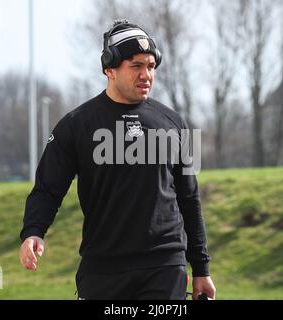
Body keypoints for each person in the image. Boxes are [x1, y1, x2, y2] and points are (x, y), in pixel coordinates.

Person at [19, 19, 216, 300]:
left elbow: (189, 199)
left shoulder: (176, 123)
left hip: (164, 266)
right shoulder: (75, 125)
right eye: (136, 66)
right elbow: (47, 190)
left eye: (150, 66)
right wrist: (33, 232)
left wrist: (201, 268)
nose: (146, 74)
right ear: (109, 68)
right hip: (103, 269)